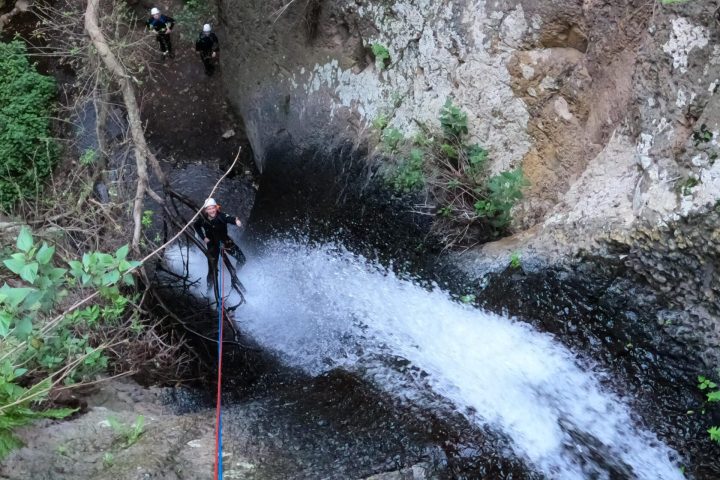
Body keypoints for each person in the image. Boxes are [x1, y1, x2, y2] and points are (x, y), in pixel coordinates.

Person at [193, 198, 246, 288]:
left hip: (225, 242)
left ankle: (235, 275)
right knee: (212, 271)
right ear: (206, 210)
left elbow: (230, 219)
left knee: (242, 259)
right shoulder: (203, 219)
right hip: (212, 245)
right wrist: (203, 237)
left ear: (216, 208)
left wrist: (237, 221)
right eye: (209, 209)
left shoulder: (221, 216)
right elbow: (196, 226)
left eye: (213, 208)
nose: (212, 210)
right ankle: (209, 291)